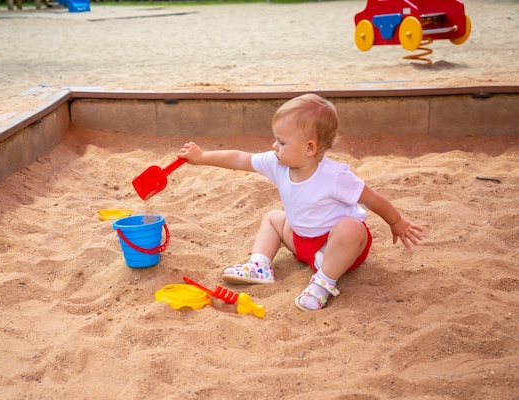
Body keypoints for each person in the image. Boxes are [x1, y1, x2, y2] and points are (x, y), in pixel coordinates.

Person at [177, 93, 423, 311]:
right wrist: (202, 157)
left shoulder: (335, 176)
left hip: (336, 248)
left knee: (352, 228)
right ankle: (260, 265)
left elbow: (371, 198)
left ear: (309, 148)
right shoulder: (278, 163)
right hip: (302, 242)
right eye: (276, 139)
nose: (274, 146)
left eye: (281, 142)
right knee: (273, 218)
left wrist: (397, 221)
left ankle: (323, 283)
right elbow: (241, 159)